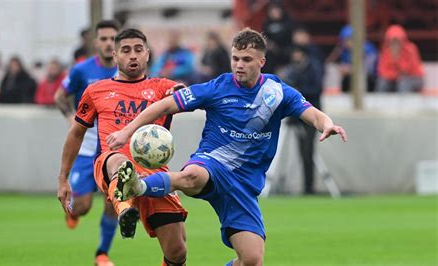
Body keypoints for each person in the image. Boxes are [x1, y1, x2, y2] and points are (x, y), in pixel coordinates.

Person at [106, 28, 348, 266]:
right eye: (235, 58)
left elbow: (312, 114)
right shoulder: (217, 87)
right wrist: (127, 131)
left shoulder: (276, 92)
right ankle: (137, 185)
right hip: (212, 163)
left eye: (246, 59)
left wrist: (327, 124)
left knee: (252, 260)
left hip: (244, 184)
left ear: (261, 61)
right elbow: (165, 105)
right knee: (191, 177)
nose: (239, 65)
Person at [57, 28, 188, 266]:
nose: (133, 56)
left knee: (177, 251)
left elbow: (184, 94)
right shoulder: (96, 91)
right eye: (126, 51)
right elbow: (76, 133)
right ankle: (125, 209)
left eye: (138, 50)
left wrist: (183, 93)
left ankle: (127, 209)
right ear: (115, 56)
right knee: (120, 161)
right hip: (110, 163)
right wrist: (63, 178)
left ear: (147, 54)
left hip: (155, 174)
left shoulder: (162, 87)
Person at [53, 20, 121, 266]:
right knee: (81, 206)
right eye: (103, 39)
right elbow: (60, 96)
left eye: (113, 38)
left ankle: (102, 253)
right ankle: (76, 211)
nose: (108, 43)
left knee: (113, 202)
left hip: (114, 146)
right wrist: (72, 118)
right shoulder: (82, 70)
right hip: (87, 146)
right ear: (96, 42)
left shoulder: (127, 70)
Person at [281, 45, 323, 195]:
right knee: (302, 151)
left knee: (308, 151)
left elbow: (316, 89)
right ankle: (306, 186)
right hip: (297, 116)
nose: (295, 56)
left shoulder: (313, 68)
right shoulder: (293, 69)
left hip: (311, 113)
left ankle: (309, 187)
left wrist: (297, 92)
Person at [327, 25, 377, 93]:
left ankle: (360, 96)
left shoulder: (367, 48)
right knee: (331, 68)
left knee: (361, 73)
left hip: (368, 77)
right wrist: (338, 50)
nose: (347, 42)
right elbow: (328, 62)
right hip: (348, 75)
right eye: (344, 40)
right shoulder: (343, 49)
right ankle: (333, 93)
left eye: (349, 39)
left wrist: (351, 69)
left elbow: (368, 68)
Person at [375, 25, 424, 93]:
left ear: (402, 40)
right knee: (382, 83)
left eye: (397, 41)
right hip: (394, 79)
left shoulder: (411, 49)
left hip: (414, 78)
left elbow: (407, 70)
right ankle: (380, 103)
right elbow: (382, 72)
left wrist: (396, 59)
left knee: (403, 82)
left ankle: (404, 103)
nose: (395, 45)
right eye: (392, 42)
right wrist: (394, 75)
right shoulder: (385, 51)